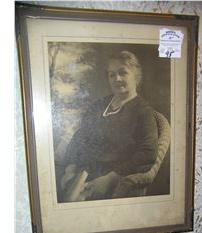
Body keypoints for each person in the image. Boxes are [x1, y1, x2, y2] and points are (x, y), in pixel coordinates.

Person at [56, 50, 158, 202]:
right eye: (112, 74)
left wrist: (111, 178)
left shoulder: (143, 112)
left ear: (136, 75)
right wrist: (70, 168)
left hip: (109, 178)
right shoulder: (99, 106)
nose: (117, 78)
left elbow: (148, 152)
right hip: (80, 171)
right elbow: (80, 136)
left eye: (123, 73)